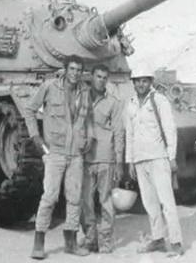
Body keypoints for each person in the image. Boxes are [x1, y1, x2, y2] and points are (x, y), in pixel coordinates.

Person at [25, 55, 93, 259]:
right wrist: (35, 137)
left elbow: (87, 116)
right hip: (55, 152)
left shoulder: (85, 90)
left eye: (79, 70)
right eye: (72, 69)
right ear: (65, 69)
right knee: (50, 197)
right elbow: (29, 110)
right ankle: (39, 242)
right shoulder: (49, 86)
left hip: (76, 154)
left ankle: (70, 242)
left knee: (74, 197)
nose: (75, 73)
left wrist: (89, 135)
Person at [123, 66, 184, 257]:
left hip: (158, 157)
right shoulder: (131, 103)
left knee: (166, 201)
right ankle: (158, 238)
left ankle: (175, 242)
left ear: (150, 82)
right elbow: (129, 134)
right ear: (133, 83)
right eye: (137, 81)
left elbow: (169, 129)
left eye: (144, 80)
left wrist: (171, 157)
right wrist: (130, 161)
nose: (141, 84)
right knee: (150, 202)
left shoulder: (160, 100)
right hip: (140, 159)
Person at [79, 64, 125, 253]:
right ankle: (91, 237)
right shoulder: (80, 98)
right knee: (85, 200)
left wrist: (119, 161)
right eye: (98, 76)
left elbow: (118, 132)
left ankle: (105, 240)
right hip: (84, 156)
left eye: (105, 77)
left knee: (105, 200)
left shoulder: (113, 102)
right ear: (91, 76)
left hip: (106, 157)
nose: (101, 80)